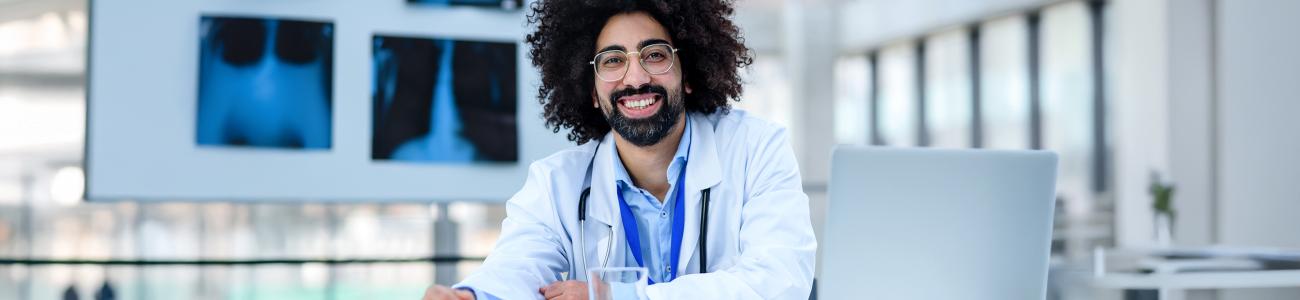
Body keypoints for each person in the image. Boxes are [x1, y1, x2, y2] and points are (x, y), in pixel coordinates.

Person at [422, 0, 816, 299]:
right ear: (591, 90)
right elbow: (519, 265)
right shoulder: (557, 183)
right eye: (612, 61)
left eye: (655, 55)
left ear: (689, 74)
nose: (636, 77)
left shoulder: (756, 150)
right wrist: (472, 296)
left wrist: (619, 294)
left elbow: (781, 280)